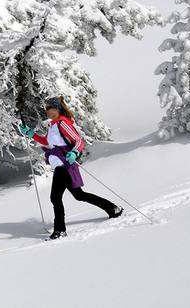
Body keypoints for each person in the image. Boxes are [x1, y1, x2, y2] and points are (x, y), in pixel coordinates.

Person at [19, 96, 123, 239]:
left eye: (49, 107)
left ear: (56, 109)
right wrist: (31, 134)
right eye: (46, 107)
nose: (46, 110)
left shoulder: (63, 123)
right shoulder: (53, 125)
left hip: (65, 165)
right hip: (60, 166)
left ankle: (60, 230)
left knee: (55, 197)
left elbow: (78, 140)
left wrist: (74, 152)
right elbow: (46, 142)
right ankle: (112, 208)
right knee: (79, 195)